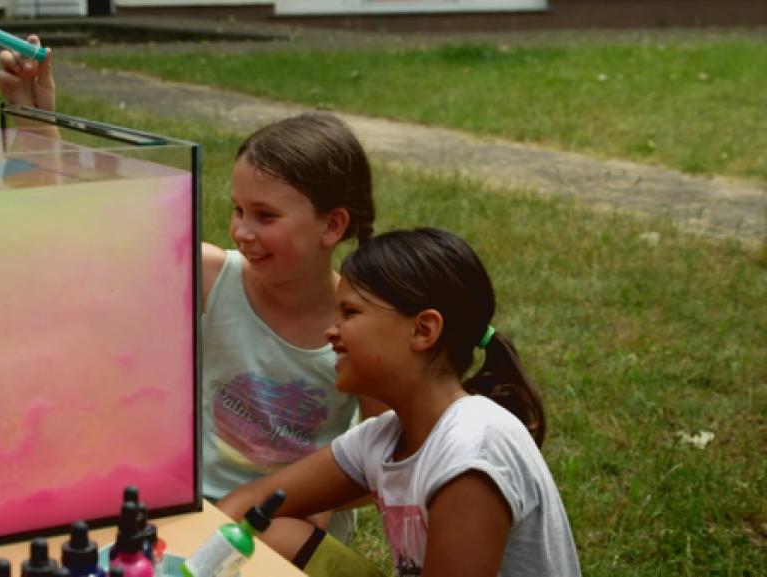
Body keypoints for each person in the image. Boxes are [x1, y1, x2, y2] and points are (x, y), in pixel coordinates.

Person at [0, 38, 387, 542]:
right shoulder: (210, 277)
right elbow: (75, 235)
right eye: (238, 209)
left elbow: (389, 462)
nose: (242, 230)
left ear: (332, 226)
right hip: (185, 507)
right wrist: (37, 127)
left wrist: (305, 499)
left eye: (265, 215)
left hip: (287, 527)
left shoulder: (363, 325)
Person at [216, 227, 582, 577]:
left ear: (423, 330)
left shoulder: (470, 452)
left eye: (350, 313)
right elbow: (257, 501)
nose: (331, 331)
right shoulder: (383, 438)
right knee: (271, 534)